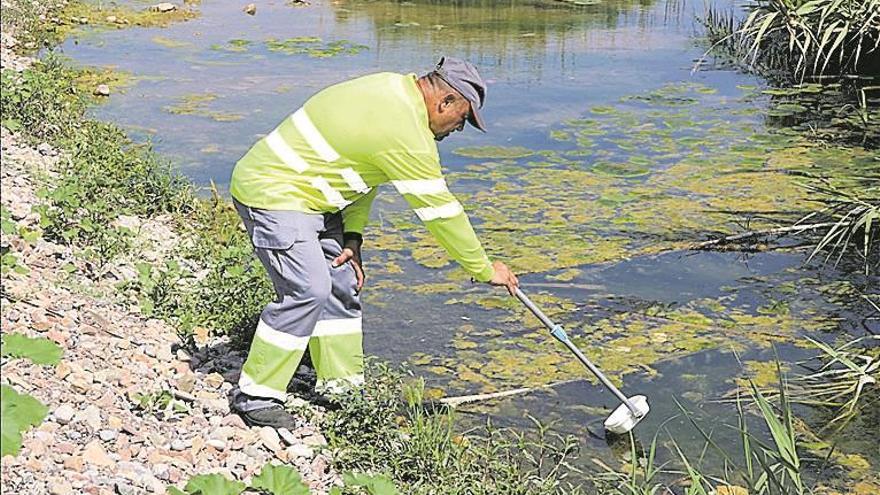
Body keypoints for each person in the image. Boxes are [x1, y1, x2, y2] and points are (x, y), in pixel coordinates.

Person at [228, 57, 519, 428]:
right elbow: (441, 214)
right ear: (445, 101)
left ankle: (342, 390)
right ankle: (256, 395)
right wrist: (483, 269)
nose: (458, 128)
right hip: (273, 192)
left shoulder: (393, 90)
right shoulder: (406, 133)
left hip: (315, 196)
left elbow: (365, 172)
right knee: (309, 289)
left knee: (342, 282)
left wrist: (353, 235)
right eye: (462, 118)